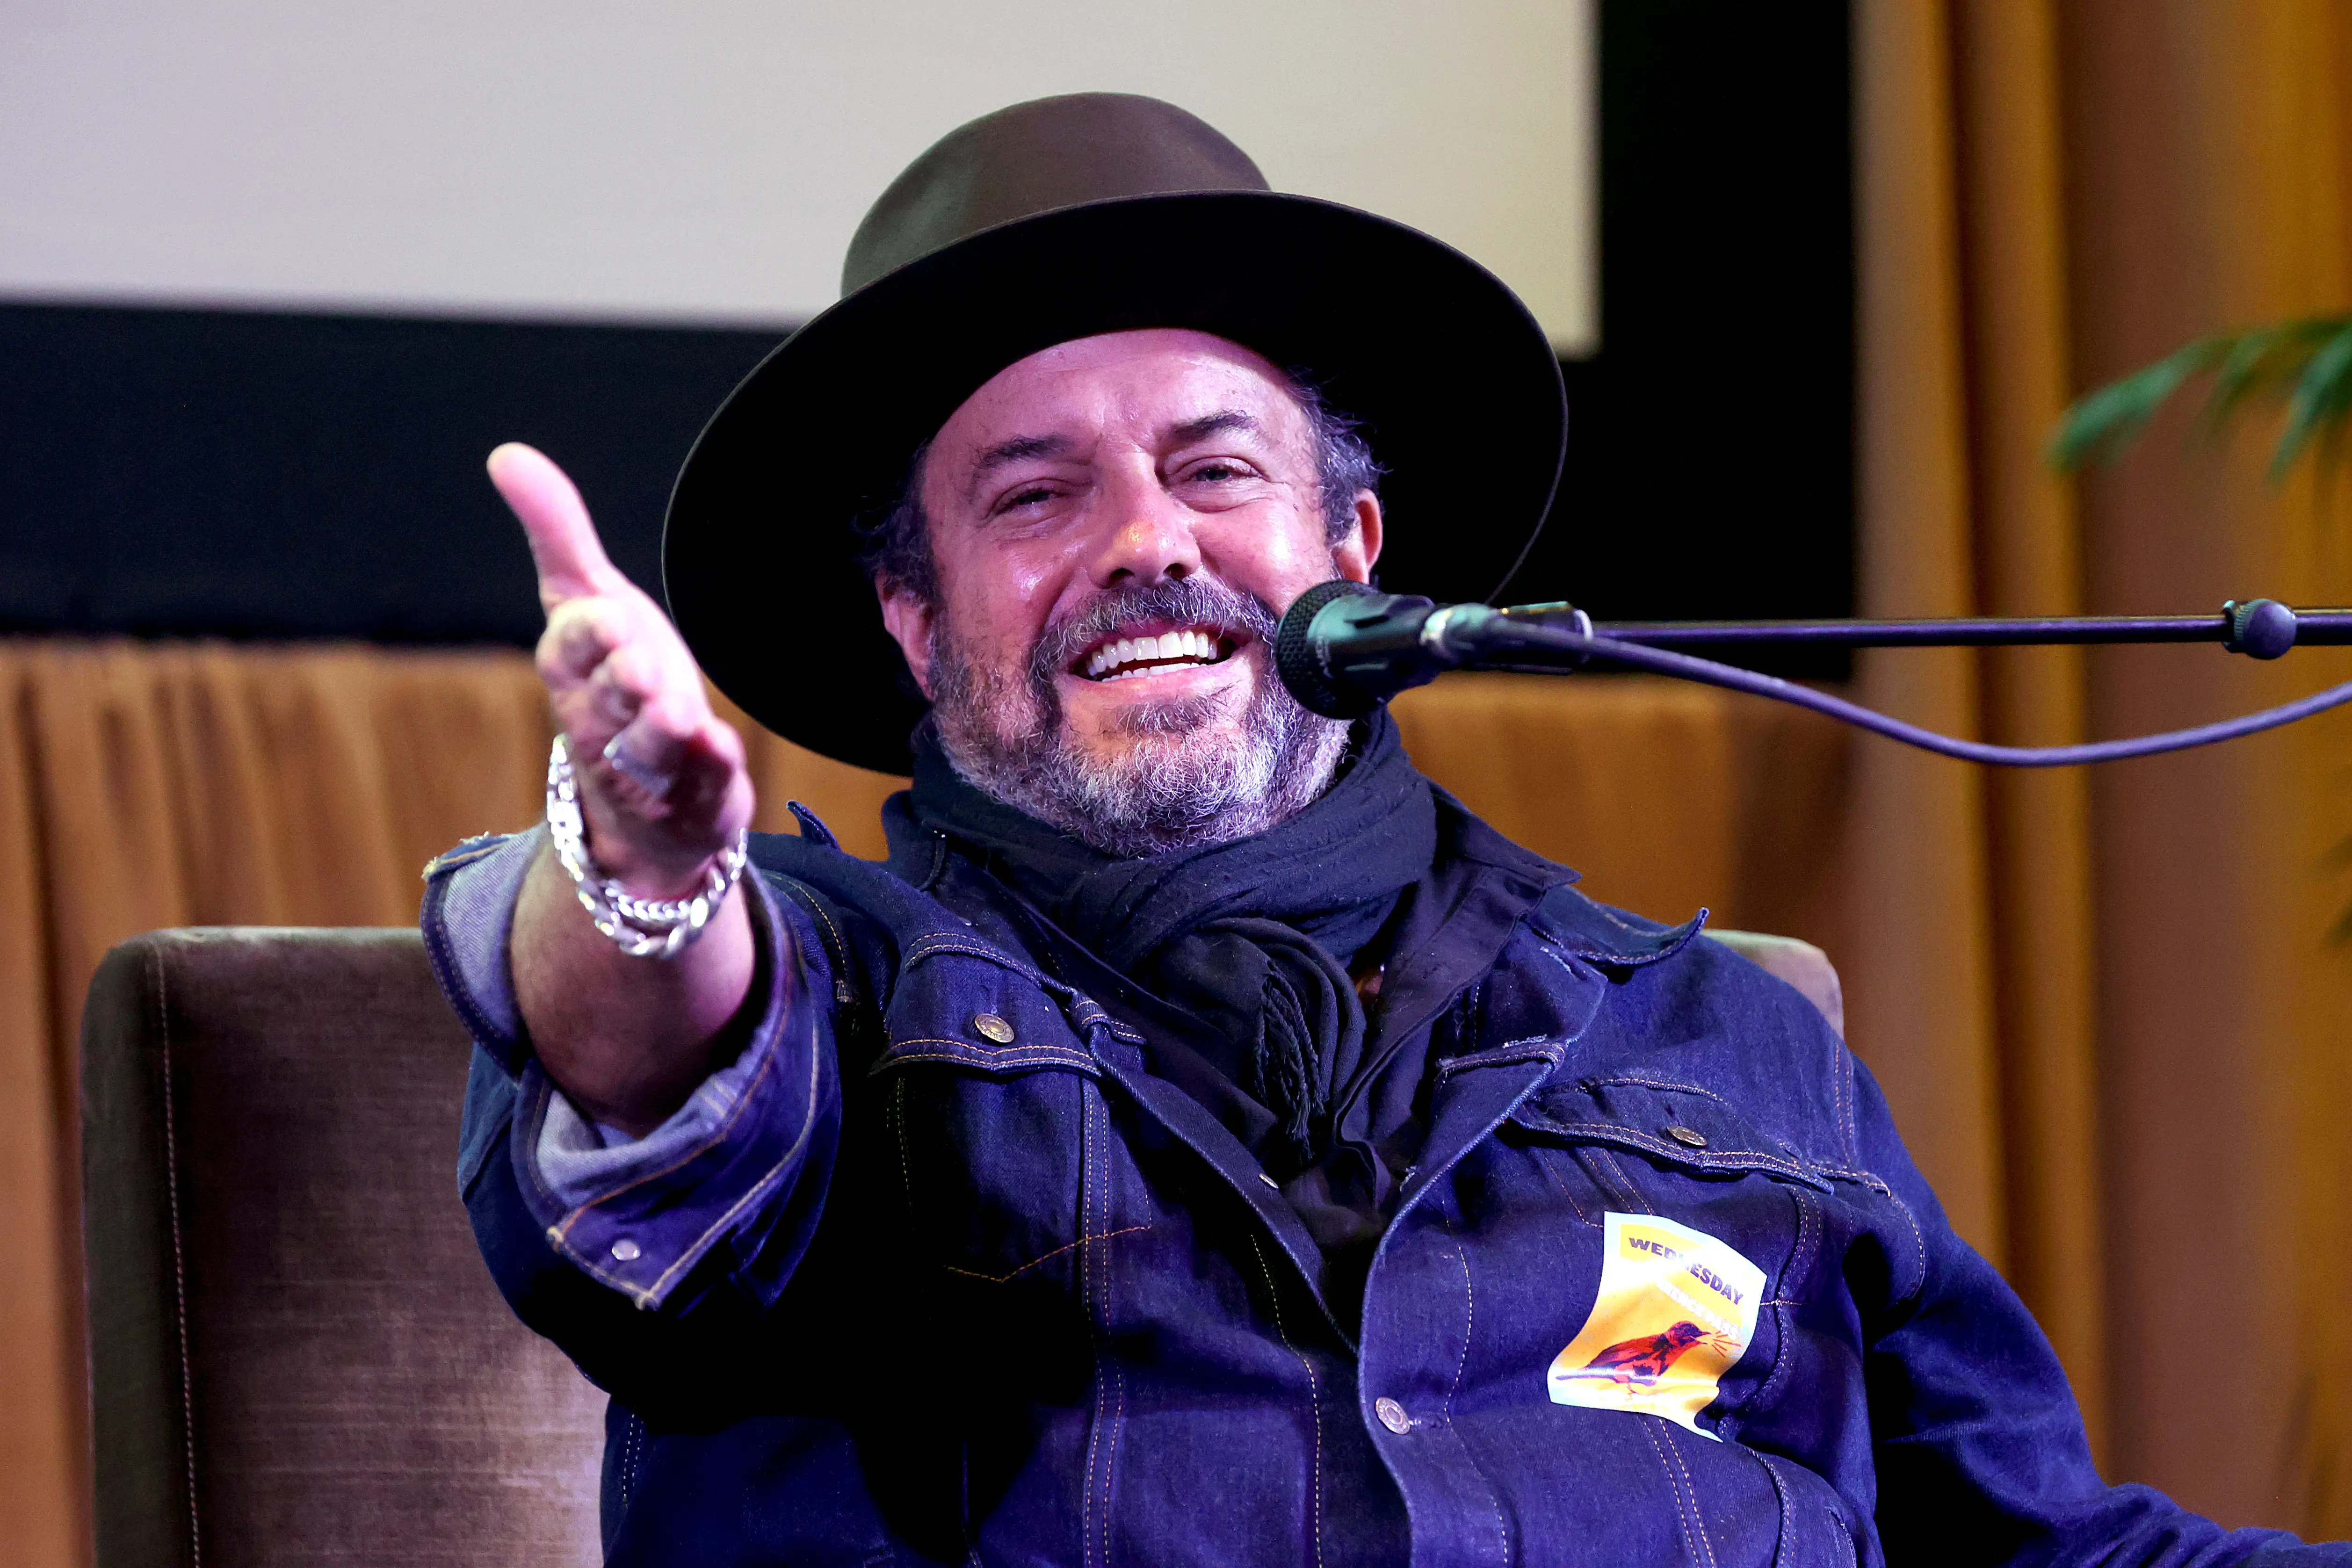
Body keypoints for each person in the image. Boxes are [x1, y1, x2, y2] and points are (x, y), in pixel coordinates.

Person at [425, 94, 2348, 1566]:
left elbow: (2050, 1548)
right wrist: (654, 879)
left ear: (1352, 553)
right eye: (1033, 495)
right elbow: (659, 1090)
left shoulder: (1722, 1042)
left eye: (1213, 467)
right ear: (916, 626)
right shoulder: (839, 999)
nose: (1146, 539)